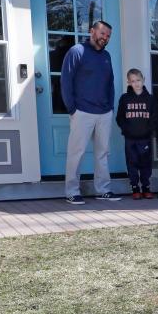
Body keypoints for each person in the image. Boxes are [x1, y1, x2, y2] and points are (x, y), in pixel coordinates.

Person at [60, 20, 121, 204]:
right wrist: (72, 108)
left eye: (108, 35)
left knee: (102, 153)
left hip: (104, 112)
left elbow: (110, 82)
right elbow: (65, 81)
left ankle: (103, 189)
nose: (105, 38)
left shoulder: (107, 56)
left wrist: (110, 106)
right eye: (102, 33)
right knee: (76, 152)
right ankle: (72, 191)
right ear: (92, 31)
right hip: (82, 111)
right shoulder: (77, 51)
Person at [116, 69, 155, 199]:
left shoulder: (150, 99)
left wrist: (149, 130)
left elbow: (155, 118)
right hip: (130, 138)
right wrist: (126, 129)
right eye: (133, 81)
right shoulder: (125, 98)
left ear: (143, 79)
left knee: (145, 163)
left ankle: (146, 187)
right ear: (129, 82)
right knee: (132, 163)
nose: (136, 83)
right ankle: (135, 188)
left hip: (145, 138)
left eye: (138, 80)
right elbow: (120, 117)